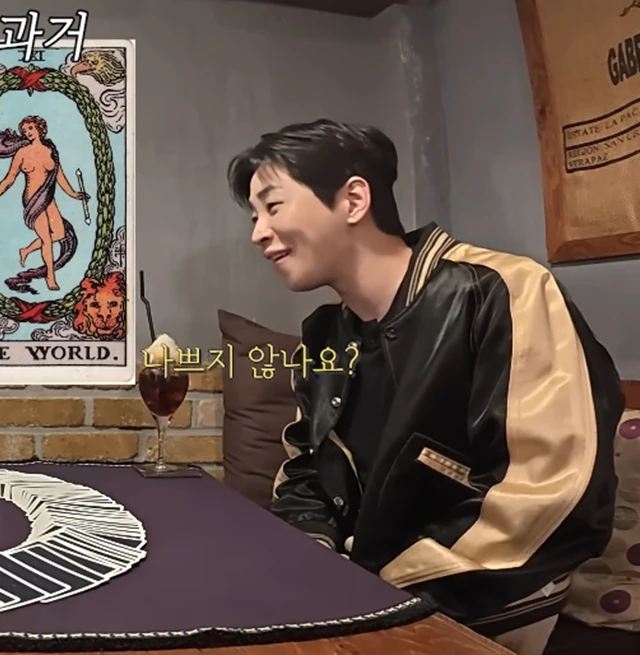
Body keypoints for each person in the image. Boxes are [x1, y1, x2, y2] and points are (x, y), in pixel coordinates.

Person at [227, 119, 623, 655]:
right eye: (254, 216)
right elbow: (307, 470)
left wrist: (375, 592)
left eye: (273, 207)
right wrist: (309, 556)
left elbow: (549, 493)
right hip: (360, 589)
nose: (258, 232)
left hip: (487, 599)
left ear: (353, 200)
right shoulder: (324, 334)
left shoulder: (501, 290)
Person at [0, 115, 89, 292]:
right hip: (32, 199)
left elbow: (60, 177)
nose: (28, 132)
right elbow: (9, 178)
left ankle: (26, 250)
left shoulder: (51, 151)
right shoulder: (22, 153)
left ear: (40, 129)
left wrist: (74, 194)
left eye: (30, 128)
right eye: (24, 130)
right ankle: (50, 277)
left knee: (59, 233)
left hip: (48, 197)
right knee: (46, 239)